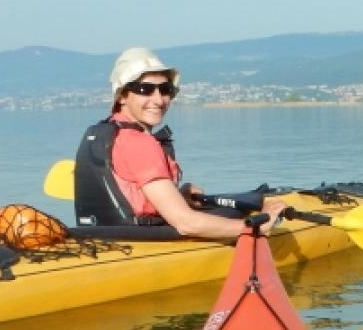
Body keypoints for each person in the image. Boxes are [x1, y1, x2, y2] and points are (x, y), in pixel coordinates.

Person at [73, 47, 287, 238]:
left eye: (165, 90)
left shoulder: (101, 133)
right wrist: (258, 227)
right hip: (140, 241)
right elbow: (186, 224)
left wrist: (177, 197)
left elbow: (128, 193)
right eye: (144, 90)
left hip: (102, 236)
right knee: (236, 212)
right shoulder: (140, 143)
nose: (158, 100)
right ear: (121, 96)